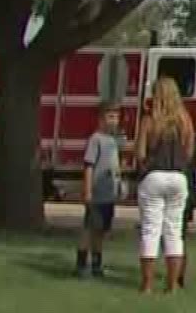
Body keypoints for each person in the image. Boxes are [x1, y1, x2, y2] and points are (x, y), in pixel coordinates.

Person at [136, 76, 195, 294]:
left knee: (150, 231)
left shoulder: (149, 120)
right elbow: (189, 152)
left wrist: (146, 162)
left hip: (154, 175)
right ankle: (172, 286)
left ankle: (147, 285)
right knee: (174, 232)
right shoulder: (184, 120)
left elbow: (140, 153)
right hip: (178, 177)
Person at [75, 106, 123, 279]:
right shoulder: (96, 139)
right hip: (96, 194)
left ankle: (97, 264)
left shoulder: (113, 140)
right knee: (89, 229)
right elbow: (89, 166)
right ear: (101, 119)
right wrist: (87, 191)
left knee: (101, 231)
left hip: (108, 194)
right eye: (110, 116)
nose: (114, 121)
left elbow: (115, 167)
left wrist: (119, 185)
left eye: (116, 117)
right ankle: (81, 264)